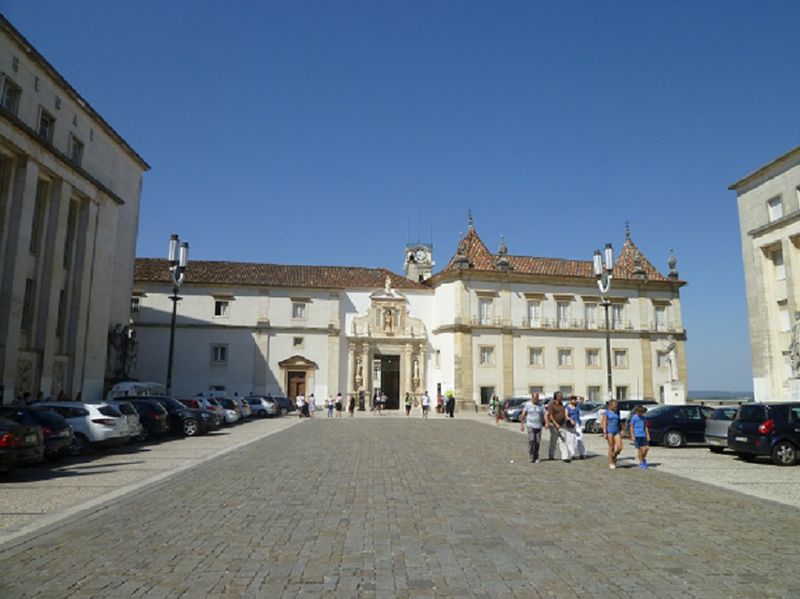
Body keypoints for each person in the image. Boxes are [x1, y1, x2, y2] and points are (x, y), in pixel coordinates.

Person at [519, 392, 545, 463]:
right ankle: (531, 455)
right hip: (530, 425)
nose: (536, 399)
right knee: (531, 440)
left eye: (537, 398)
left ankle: (536, 456)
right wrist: (522, 425)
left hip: (538, 425)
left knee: (537, 441)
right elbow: (523, 415)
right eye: (535, 398)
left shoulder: (541, 405)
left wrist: (546, 423)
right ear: (532, 398)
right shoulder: (527, 405)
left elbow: (545, 414)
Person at [545, 391, 570, 462]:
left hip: (562, 424)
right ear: (556, 397)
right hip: (554, 425)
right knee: (553, 441)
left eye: (561, 396)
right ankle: (551, 455)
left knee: (563, 440)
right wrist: (555, 424)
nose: (561, 397)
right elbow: (550, 415)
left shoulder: (562, 404)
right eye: (560, 396)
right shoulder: (551, 404)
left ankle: (565, 457)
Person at [602, 399, 623, 469]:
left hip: (617, 430)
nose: (615, 407)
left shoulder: (617, 412)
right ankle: (611, 462)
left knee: (620, 447)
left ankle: (614, 456)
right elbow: (604, 422)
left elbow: (619, 421)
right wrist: (604, 432)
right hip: (609, 431)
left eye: (616, 406)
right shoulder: (606, 413)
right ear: (610, 406)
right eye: (614, 406)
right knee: (611, 446)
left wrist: (622, 430)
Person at [629, 405, 651, 469]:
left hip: (643, 434)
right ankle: (641, 462)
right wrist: (632, 435)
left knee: (646, 448)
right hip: (637, 435)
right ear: (637, 411)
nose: (640, 413)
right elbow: (631, 426)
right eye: (639, 412)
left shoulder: (644, 418)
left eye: (641, 412)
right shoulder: (634, 417)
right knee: (640, 449)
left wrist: (648, 435)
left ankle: (643, 458)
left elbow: (645, 427)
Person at [565, 396, 586, 460]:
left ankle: (582, 453)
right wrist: (570, 419)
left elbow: (582, 399)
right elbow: (566, 415)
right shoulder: (567, 407)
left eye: (575, 399)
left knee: (580, 438)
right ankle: (572, 454)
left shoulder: (577, 406)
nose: (573, 401)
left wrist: (579, 398)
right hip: (570, 424)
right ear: (570, 400)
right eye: (572, 399)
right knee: (571, 439)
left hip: (577, 423)